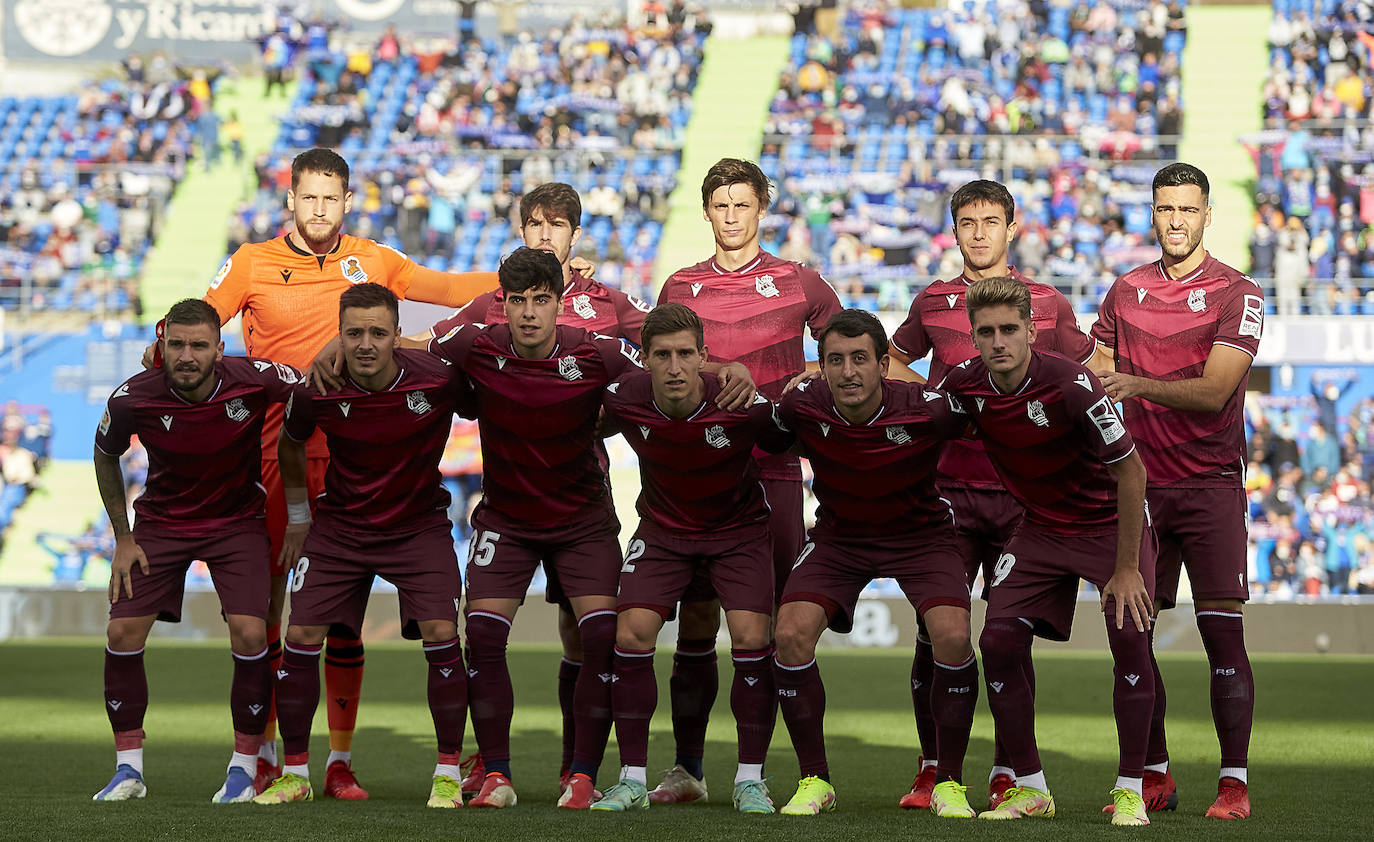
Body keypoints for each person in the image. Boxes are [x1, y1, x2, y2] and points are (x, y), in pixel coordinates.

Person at [193, 147, 498, 797]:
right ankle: (264, 750)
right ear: (290, 201)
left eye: (332, 198)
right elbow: (202, 317)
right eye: (309, 198)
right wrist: (165, 331)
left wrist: (533, 276)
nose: (320, 209)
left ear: (348, 201)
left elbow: (445, 289)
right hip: (281, 456)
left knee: (342, 620)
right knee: (271, 610)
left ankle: (336, 761)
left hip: (360, 457)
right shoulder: (252, 261)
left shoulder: (376, 261)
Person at [420, 182, 650, 797]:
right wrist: (353, 345)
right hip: (508, 519)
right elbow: (418, 355)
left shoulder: (600, 342)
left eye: (538, 300)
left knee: (599, 635)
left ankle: (581, 774)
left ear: (557, 304)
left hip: (582, 515)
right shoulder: (476, 334)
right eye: (516, 300)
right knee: (486, 635)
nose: (526, 311)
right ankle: (495, 771)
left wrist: (614, 418)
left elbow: (663, 373)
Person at [885, 179, 1105, 810]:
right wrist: (930, 408)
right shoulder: (933, 300)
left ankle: (1010, 770)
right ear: (953, 231)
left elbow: (1083, 377)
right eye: (966, 223)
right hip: (949, 494)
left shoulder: (1045, 304)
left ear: (1013, 228)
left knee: (1009, 635)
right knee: (937, 628)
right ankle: (933, 768)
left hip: (1020, 501)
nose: (978, 233)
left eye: (990, 221)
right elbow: (895, 364)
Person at [649, 157, 841, 804]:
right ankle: (688, 769)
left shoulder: (800, 282)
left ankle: (785, 773)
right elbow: (654, 364)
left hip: (775, 471)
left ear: (763, 208)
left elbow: (848, 352)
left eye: (742, 204)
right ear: (706, 211)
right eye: (720, 205)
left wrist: (807, 375)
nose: (731, 216)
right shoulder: (679, 286)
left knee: (777, 627)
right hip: (699, 471)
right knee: (699, 619)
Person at [940, 276, 1156, 826]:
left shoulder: (1073, 385)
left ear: (1031, 331)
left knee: (1130, 640)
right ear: (973, 337)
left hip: (1110, 528)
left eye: (1009, 329)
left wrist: (1127, 567)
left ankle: (1131, 787)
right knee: (998, 639)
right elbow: (913, 421)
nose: (998, 342)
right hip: (1040, 530)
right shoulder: (964, 385)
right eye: (985, 332)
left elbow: (1132, 470)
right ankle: (1030, 786)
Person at [252, 283, 470, 808]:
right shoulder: (315, 390)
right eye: (354, 333)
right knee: (300, 632)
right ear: (339, 336)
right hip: (342, 527)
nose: (366, 344)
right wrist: (301, 514)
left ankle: (446, 774)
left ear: (399, 335)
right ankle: (298, 774)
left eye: (378, 332)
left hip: (417, 526)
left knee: (443, 633)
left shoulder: (439, 379)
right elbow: (290, 441)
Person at [1092, 163, 1265, 820]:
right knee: (1130, 635)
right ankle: (1151, 775)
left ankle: (1233, 784)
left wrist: (1137, 385)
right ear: (1153, 212)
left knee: (1223, 635)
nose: (1175, 221)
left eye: (1187, 210)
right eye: (1165, 209)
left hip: (1211, 488)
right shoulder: (1123, 291)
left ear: (1206, 214)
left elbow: (1216, 389)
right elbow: (1097, 371)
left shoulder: (1236, 292)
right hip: (1141, 491)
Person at [770, 310, 979, 818]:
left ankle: (948, 782)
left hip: (921, 536)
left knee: (952, 635)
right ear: (820, 369)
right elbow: (758, 430)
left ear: (884, 364)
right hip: (841, 537)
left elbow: (989, 421)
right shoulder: (801, 402)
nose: (848, 372)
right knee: (790, 632)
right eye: (835, 361)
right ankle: (814, 780)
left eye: (860, 359)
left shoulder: (927, 410)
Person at [91, 299, 297, 803]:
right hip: (162, 524)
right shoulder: (132, 398)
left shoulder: (253, 380)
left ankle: (244, 768)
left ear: (218, 350)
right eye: (176, 344)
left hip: (237, 522)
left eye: (198, 345)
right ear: (160, 347)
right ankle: (128, 769)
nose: (187, 355)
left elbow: (311, 386)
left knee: (252, 632)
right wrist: (122, 535)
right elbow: (104, 453)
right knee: (122, 629)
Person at [591, 303, 786, 814]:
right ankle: (631, 779)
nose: (674, 367)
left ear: (704, 356)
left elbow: (793, 436)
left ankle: (750, 780)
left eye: (684, 354)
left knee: (749, 637)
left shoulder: (741, 400)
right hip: (663, 531)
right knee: (630, 632)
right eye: (662, 356)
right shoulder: (625, 398)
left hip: (738, 533)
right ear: (646, 360)